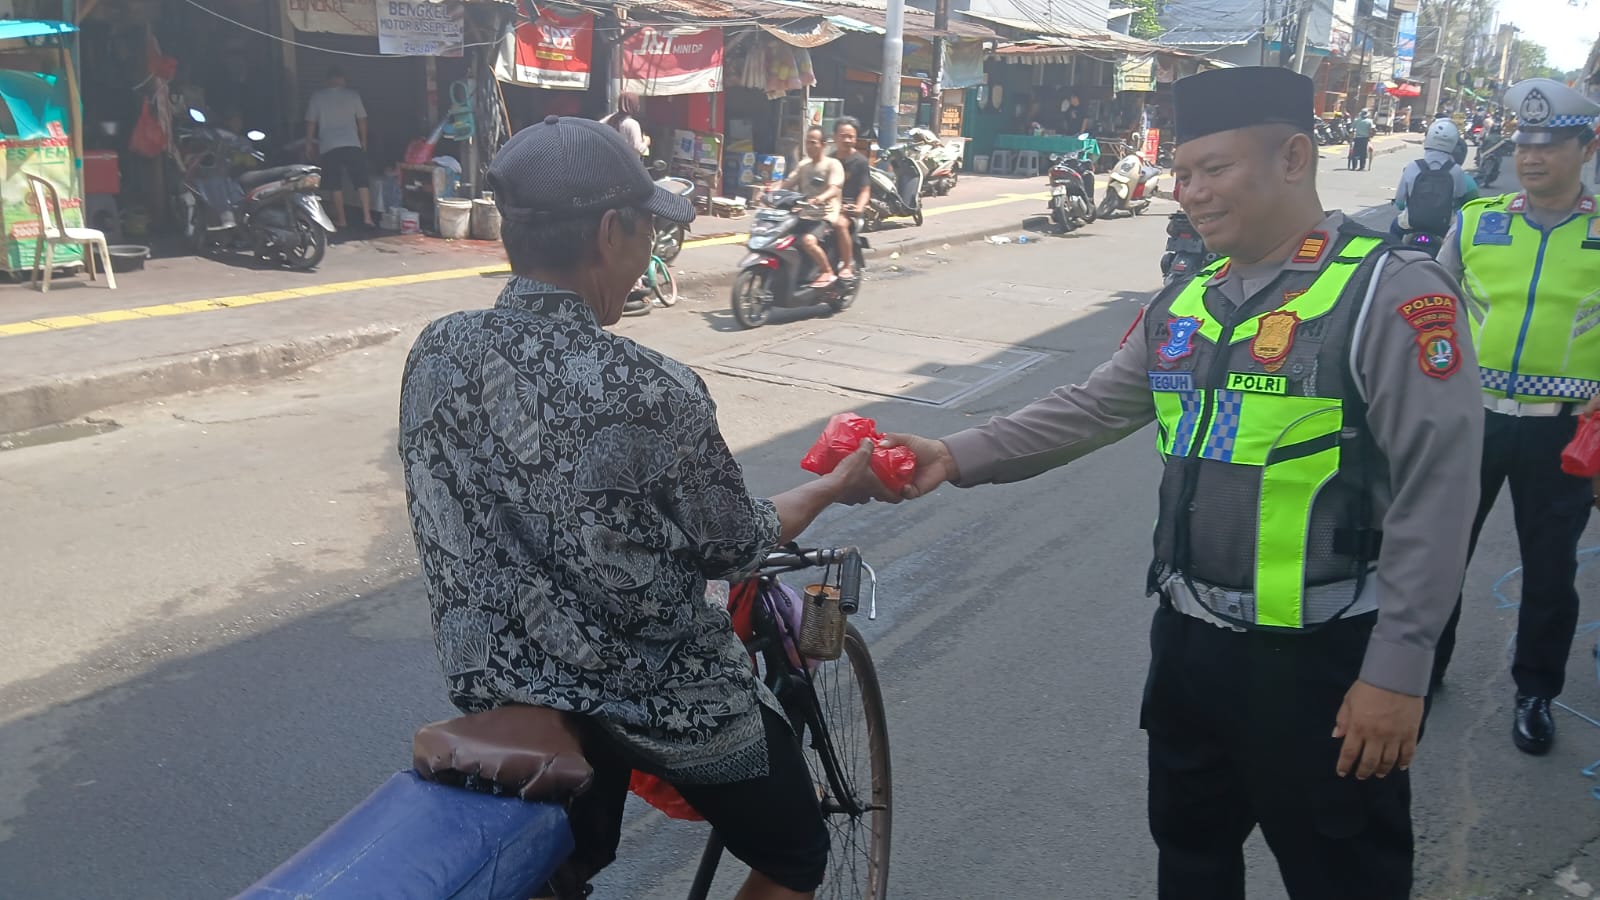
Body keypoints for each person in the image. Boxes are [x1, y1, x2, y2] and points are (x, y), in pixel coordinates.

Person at [878, 67, 1482, 899]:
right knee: (1191, 861)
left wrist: (1399, 670)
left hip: (1327, 664)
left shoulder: (1390, 294)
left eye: (1214, 170)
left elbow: (1438, 493)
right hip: (1193, 647)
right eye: (1183, 171)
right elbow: (1092, 407)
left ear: (1295, 157)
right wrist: (952, 454)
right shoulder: (1190, 299)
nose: (1189, 192)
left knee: (1345, 877)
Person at [398, 115, 893, 900]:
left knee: (567, 870)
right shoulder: (652, 385)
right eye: (649, 232)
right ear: (609, 231)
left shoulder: (437, 351)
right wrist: (834, 486)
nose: (652, 252)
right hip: (653, 695)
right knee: (798, 849)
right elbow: (734, 547)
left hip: (502, 685)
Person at [1428, 78, 1600, 755]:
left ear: (1587, 148)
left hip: (1562, 431)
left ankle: (1535, 692)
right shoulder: (1477, 220)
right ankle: (1422, 668)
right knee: (1439, 553)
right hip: (1472, 420)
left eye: (1552, 144)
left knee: (1551, 570)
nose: (1533, 157)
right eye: (1525, 143)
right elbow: (1428, 312)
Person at [305, 66, 373, 229]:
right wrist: (363, 140)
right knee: (361, 181)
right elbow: (362, 119)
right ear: (342, 79)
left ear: (328, 80)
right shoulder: (353, 95)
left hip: (329, 146)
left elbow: (311, 122)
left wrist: (308, 143)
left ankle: (342, 220)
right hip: (352, 143)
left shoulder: (318, 97)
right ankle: (368, 218)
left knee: (335, 184)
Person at [1392, 119, 1480, 244]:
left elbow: (1400, 202)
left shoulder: (1412, 166)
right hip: (1444, 227)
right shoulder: (1456, 171)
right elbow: (1460, 196)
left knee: (1393, 233)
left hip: (1411, 224)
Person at [781, 126, 845, 288]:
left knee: (808, 241)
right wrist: (769, 191)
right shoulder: (804, 165)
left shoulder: (833, 164)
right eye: (807, 143)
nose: (809, 146)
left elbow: (834, 188)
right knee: (778, 240)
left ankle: (827, 271)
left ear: (823, 144)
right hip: (804, 214)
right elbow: (787, 184)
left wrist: (820, 198)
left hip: (824, 216)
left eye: (813, 143)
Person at [831, 116, 871, 280]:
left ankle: (847, 265)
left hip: (848, 208)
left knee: (840, 224)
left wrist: (859, 208)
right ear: (835, 137)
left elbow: (865, 189)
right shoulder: (830, 159)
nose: (847, 140)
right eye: (843, 136)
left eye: (851, 137)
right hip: (827, 206)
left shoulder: (860, 162)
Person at [604, 91, 649, 158]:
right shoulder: (632, 124)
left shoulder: (610, 119)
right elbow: (638, 148)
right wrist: (646, 142)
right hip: (627, 163)